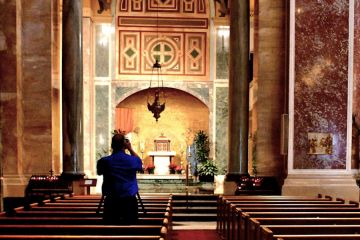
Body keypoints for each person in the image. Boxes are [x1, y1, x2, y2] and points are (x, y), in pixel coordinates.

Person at [97, 133, 142, 225]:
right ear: (124, 145)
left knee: (110, 231)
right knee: (130, 230)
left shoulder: (104, 161)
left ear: (112, 145)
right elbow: (139, 164)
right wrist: (130, 148)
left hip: (111, 201)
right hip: (129, 200)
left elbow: (99, 172)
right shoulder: (133, 160)